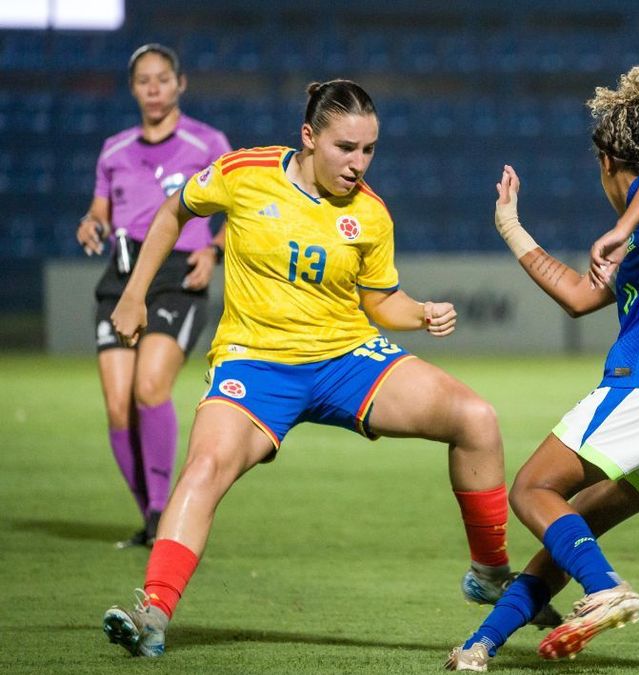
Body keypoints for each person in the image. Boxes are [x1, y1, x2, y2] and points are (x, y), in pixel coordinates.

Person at [101, 79, 526, 658]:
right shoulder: (244, 172)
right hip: (256, 365)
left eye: (369, 149)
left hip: (347, 358)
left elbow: (380, 302)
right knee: (205, 467)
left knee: (476, 417)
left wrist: (420, 312)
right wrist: (135, 293)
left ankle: (489, 571)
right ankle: (153, 611)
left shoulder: (371, 214)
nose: (358, 164)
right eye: (345, 148)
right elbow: (175, 211)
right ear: (308, 137)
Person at [445, 58, 639, 671]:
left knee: (533, 489)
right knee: (573, 524)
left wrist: (623, 222)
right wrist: (512, 228)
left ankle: (606, 588)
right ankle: (482, 644)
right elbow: (580, 295)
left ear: (609, 163)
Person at [75, 43, 231, 549]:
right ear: (134, 88)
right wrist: (90, 224)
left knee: (149, 388)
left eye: (163, 79)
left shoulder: (207, 143)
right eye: (144, 80)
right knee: (118, 406)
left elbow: (243, 209)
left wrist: (213, 250)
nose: (154, 89)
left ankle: (165, 512)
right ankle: (151, 515)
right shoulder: (114, 150)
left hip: (177, 275)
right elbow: (100, 211)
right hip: (122, 275)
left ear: (180, 83)